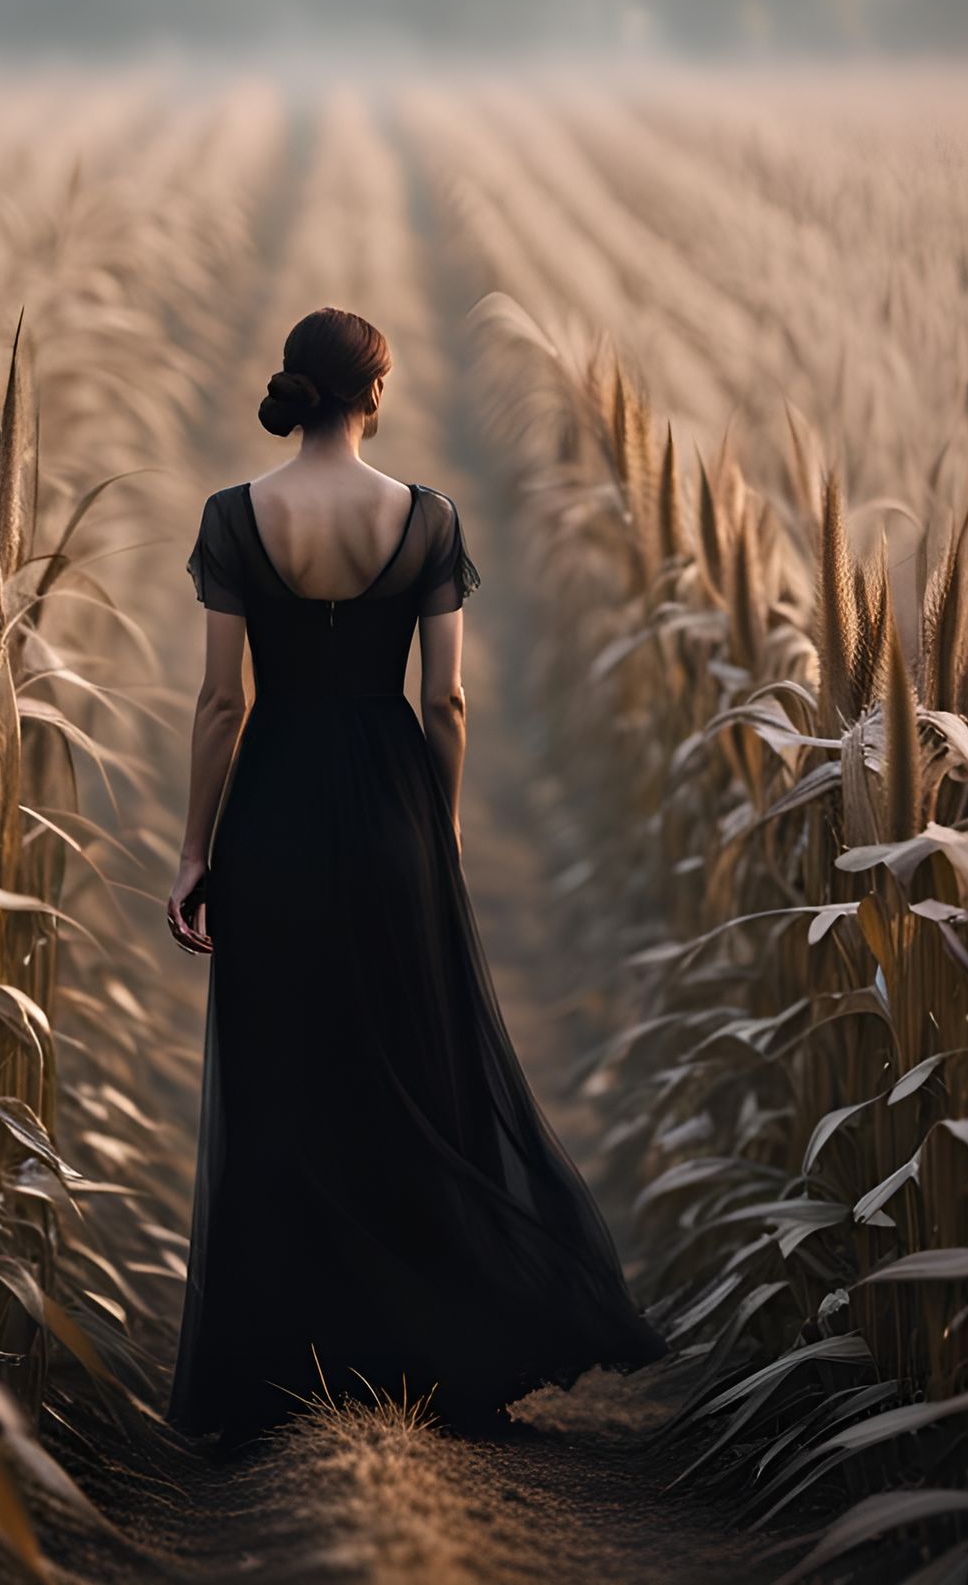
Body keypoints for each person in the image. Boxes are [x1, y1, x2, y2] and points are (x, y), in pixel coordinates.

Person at [165, 305, 667, 1448]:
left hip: (274, 808)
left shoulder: (233, 516)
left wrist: (196, 849)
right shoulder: (427, 518)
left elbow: (222, 701)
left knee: (285, 1067)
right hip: (391, 807)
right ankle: (422, 1349)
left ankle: (285, 1368)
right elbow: (444, 697)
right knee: (401, 1060)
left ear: (296, 386)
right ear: (375, 392)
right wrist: (436, 828)